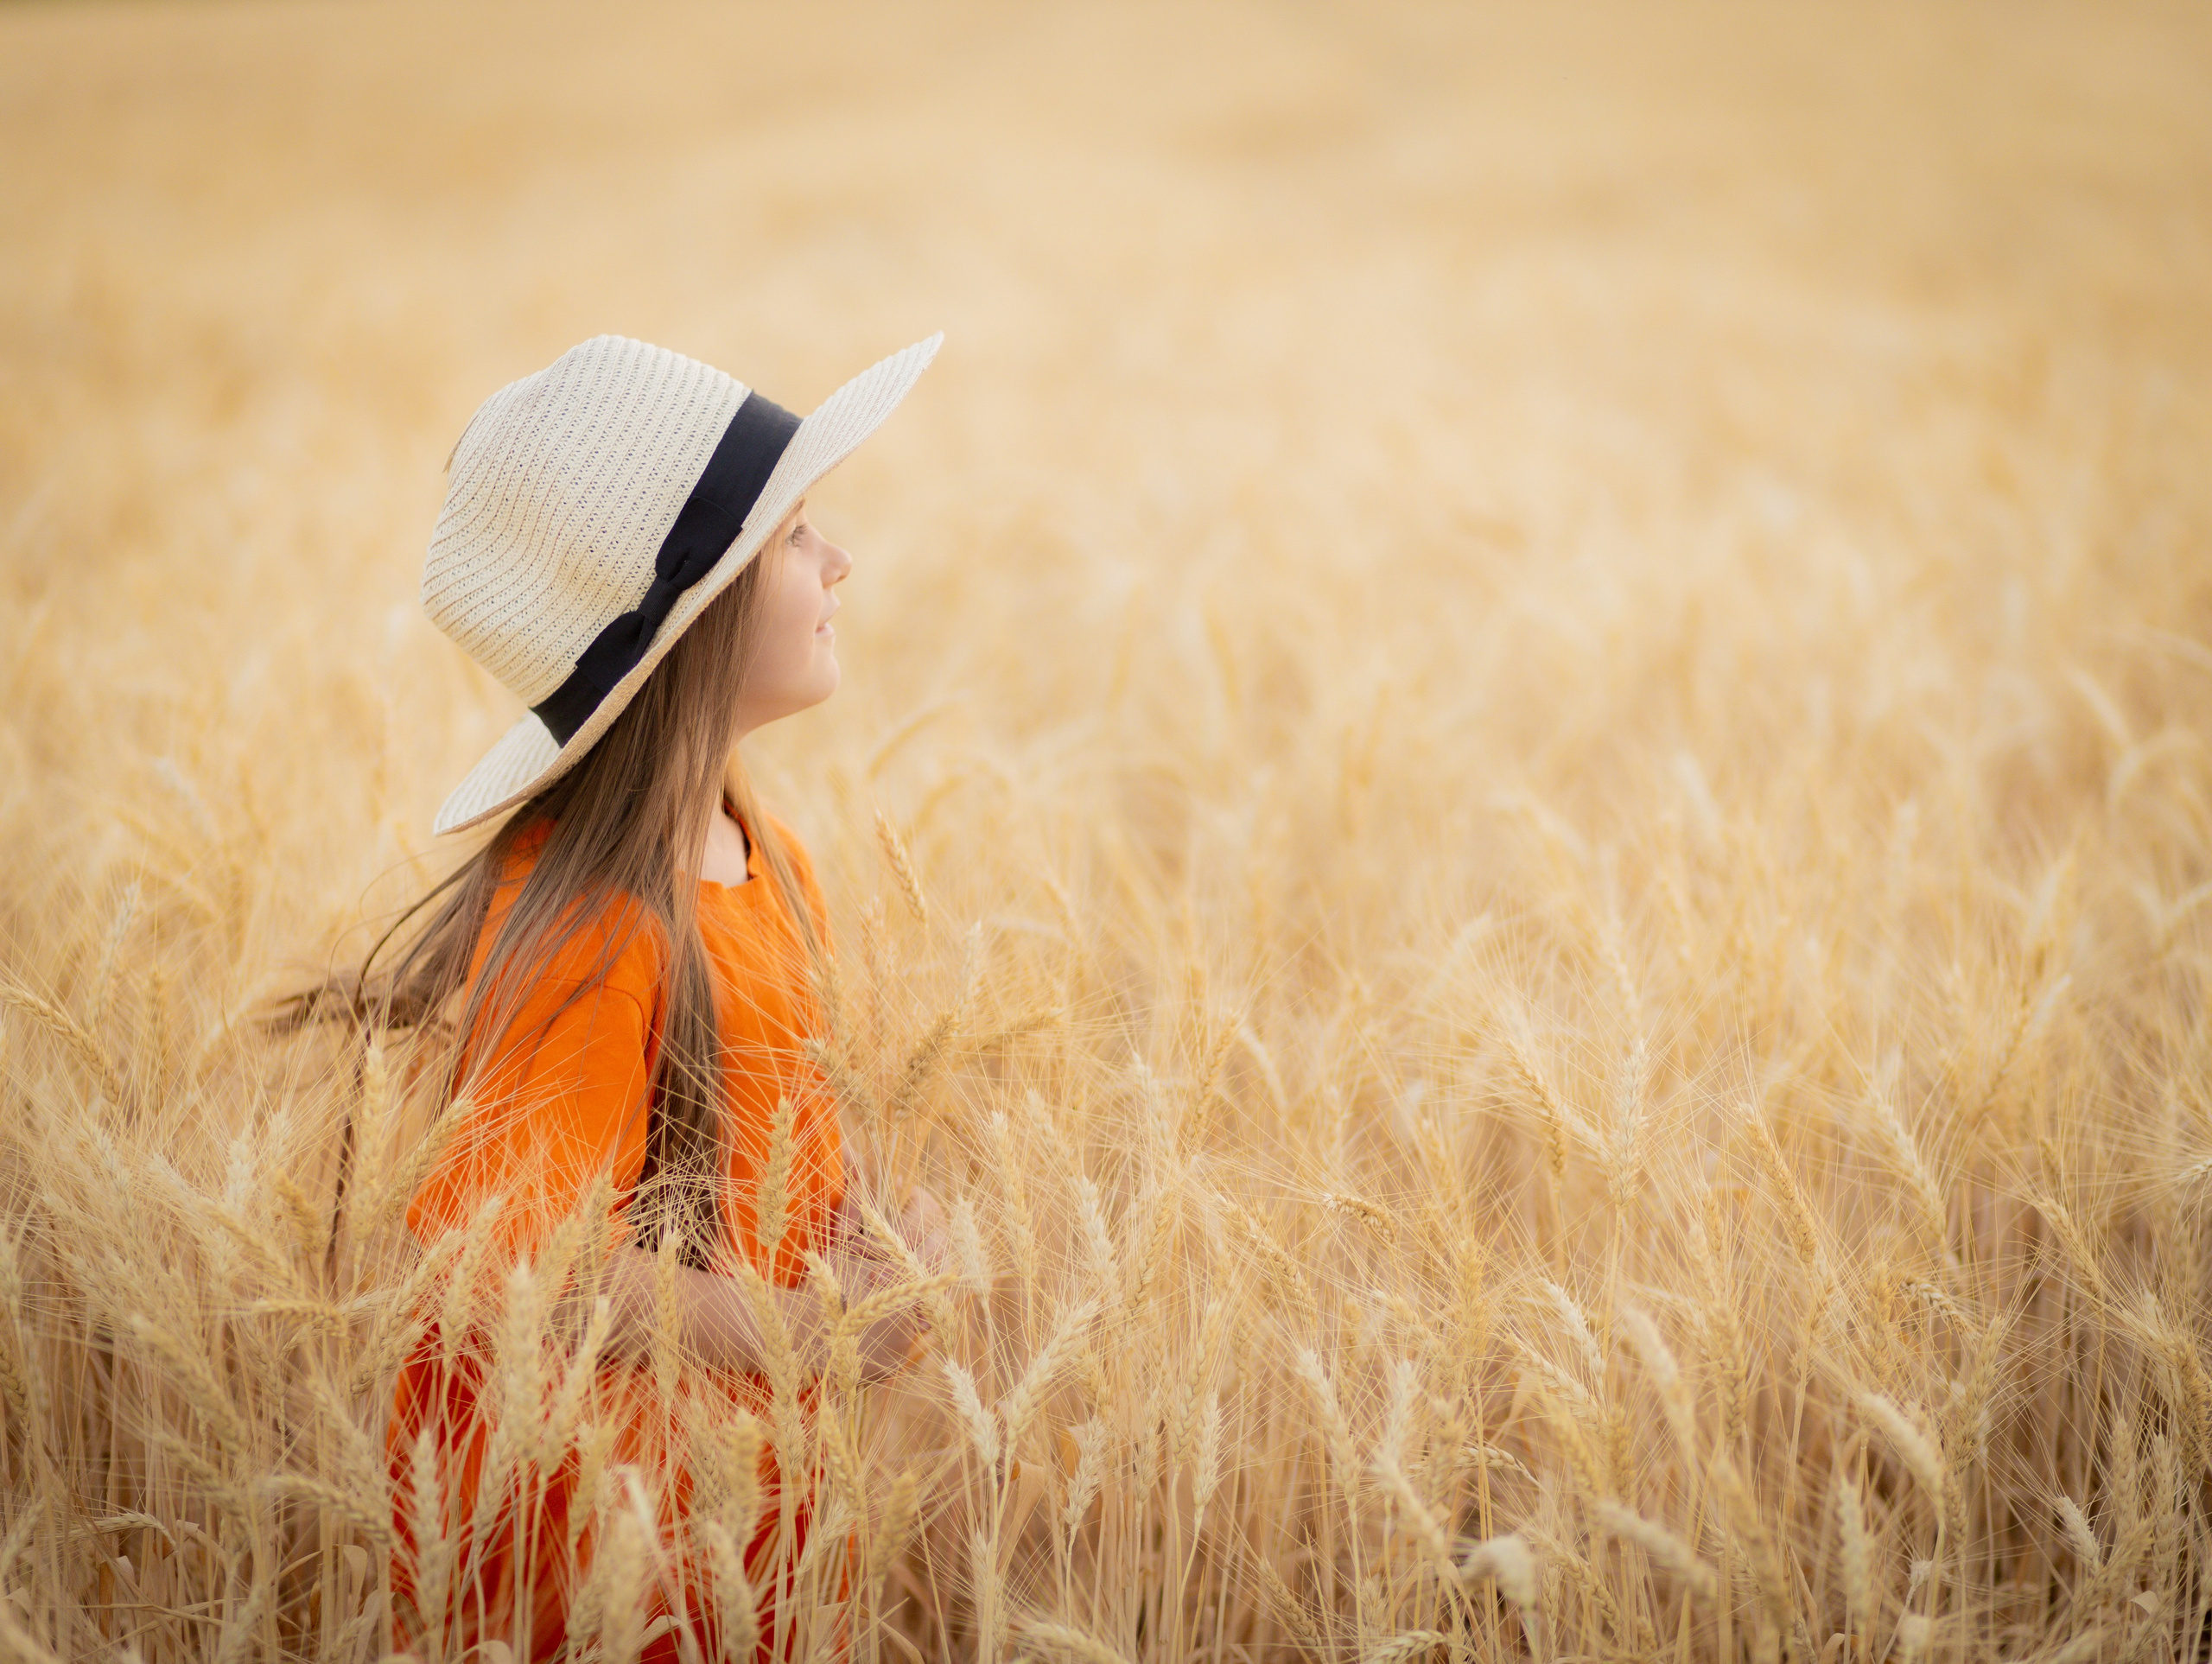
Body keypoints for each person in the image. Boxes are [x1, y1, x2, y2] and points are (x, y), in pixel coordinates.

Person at [338, 331, 946, 1661]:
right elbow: (521, 1259)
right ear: (698, 609)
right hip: (598, 1537)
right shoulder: (599, 924)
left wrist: (888, 1239)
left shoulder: (768, 856)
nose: (840, 558)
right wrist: (810, 1333)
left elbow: (776, 1142)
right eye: (794, 534)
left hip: (741, 1505)